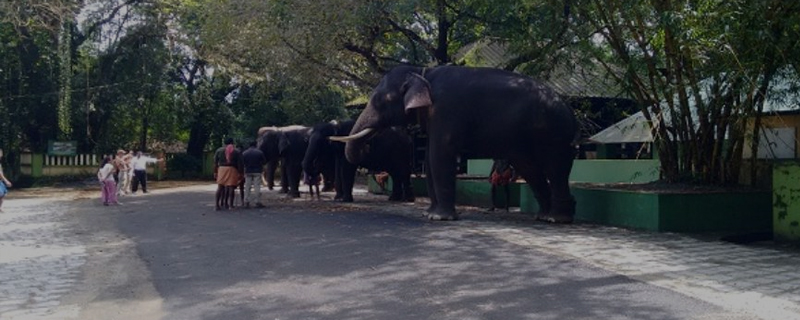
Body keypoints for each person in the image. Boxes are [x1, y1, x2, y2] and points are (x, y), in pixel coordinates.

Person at [214, 138, 243, 210]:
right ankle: (230, 205)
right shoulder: (236, 151)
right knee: (231, 187)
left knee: (220, 187)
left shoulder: (219, 150)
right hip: (232, 169)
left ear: (224, 143)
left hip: (221, 169)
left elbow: (215, 162)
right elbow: (240, 163)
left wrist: (215, 172)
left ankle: (217, 205)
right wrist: (240, 173)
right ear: (232, 143)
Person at [242, 141, 267, 208]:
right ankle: (257, 202)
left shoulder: (245, 153)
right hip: (257, 171)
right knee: (257, 187)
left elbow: (242, 163)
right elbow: (264, 162)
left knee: (247, 187)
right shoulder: (259, 152)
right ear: (256, 145)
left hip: (248, 171)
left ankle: (246, 201)